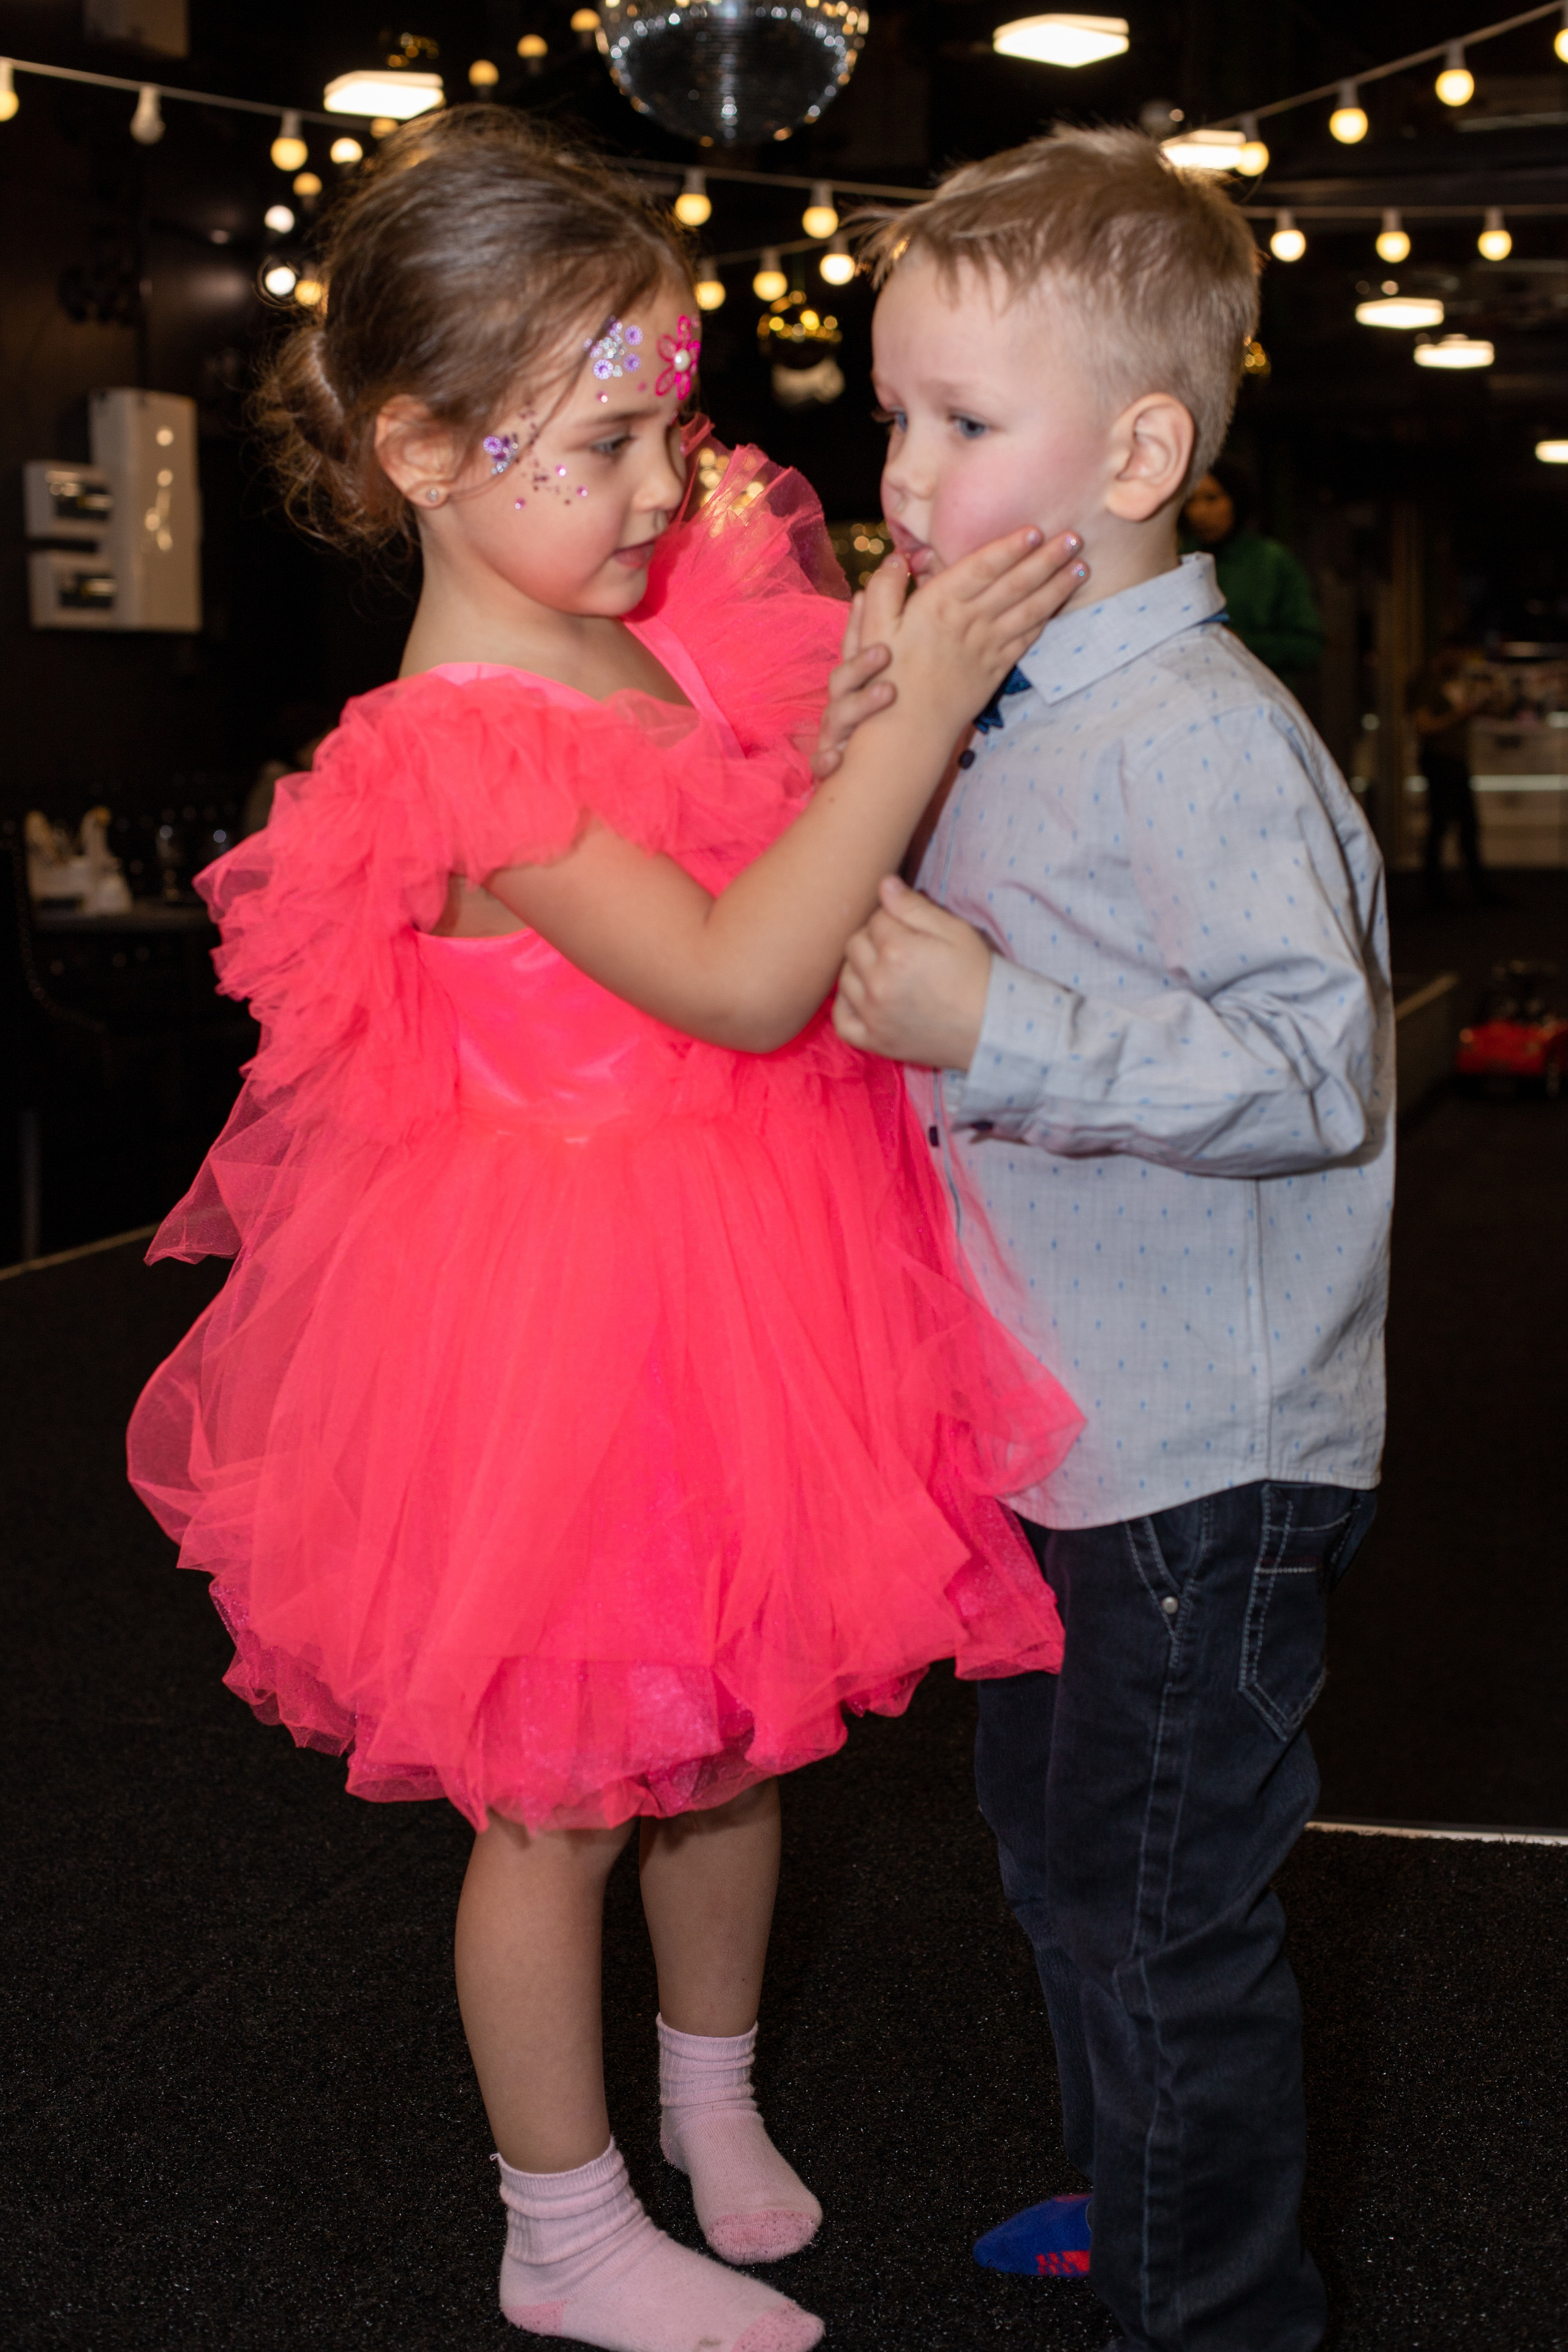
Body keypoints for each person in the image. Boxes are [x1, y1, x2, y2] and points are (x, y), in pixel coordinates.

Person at [125, 108, 1087, 2352]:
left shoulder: (641, 622)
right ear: (422, 451)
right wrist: (920, 702)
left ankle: (709, 2095)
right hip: (550, 1311)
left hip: (744, 1269)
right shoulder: (455, 743)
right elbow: (746, 977)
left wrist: (864, 698)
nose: (664, 489)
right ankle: (555, 2228)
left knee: (737, 1733)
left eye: (664, 424)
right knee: (558, 1791)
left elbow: (787, 820)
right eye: (597, 445)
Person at [824, 129, 1393, 2352]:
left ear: (1138, 449)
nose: (897, 467)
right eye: (890, 412)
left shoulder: (1196, 736)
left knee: (1166, 1915)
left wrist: (995, 1021)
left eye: (962, 423)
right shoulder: (1023, 710)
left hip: (1204, 1463)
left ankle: (1213, 2301)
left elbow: (1312, 1074)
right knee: (1064, 1868)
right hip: (1066, 1437)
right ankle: (1136, 2192)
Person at [1182, 456, 1324, 683]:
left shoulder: (1271, 562)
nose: (1199, 512)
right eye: (1190, 501)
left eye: (1212, 499)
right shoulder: (1181, 562)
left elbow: (1307, 646)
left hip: (1259, 692)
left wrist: (1240, 642)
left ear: (1237, 501)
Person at [1408, 644, 1494, 907]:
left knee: (1465, 824)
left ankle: (1474, 887)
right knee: (1442, 823)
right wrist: (1458, 714)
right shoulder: (1428, 684)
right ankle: (1437, 889)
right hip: (1440, 761)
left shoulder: (1452, 682)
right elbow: (1423, 726)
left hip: (1454, 760)